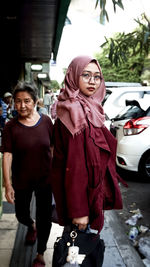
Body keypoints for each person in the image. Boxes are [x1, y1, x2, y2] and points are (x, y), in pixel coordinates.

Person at [51, 56, 125, 265]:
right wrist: (79, 211)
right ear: (74, 76)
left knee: (84, 251)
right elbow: (73, 168)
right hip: (82, 202)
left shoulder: (91, 108)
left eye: (97, 77)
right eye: (86, 75)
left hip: (92, 195)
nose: (93, 81)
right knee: (79, 253)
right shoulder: (73, 112)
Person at [2, 81, 53, 267]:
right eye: (18, 101)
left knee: (44, 217)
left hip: (45, 180)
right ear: (13, 103)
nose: (22, 106)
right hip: (21, 180)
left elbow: (53, 148)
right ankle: (31, 225)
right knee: (21, 214)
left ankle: (40, 253)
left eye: (27, 101)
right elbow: (7, 155)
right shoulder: (10, 127)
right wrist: (8, 185)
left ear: (35, 101)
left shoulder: (47, 121)